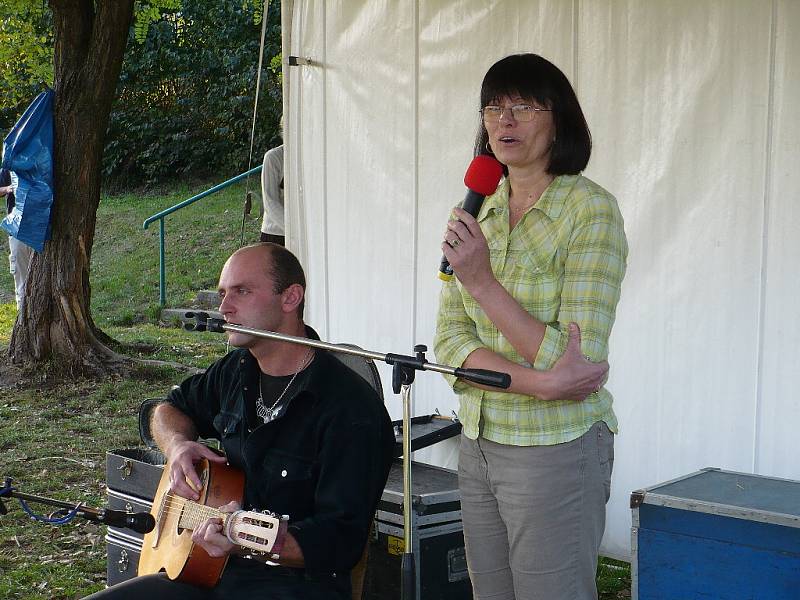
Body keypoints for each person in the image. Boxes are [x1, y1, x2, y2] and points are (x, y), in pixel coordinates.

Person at [85, 243, 395, 600]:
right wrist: (178, 446)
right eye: (222, 294)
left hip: (293, 588)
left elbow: (340, 542)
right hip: (204, 570)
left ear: (290, 297)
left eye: (242, 292)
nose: (223, 308)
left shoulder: (351, 411)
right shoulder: (237, 369)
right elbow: (167, 411)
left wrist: (243, 538)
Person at [434, 53, 628, 600]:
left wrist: (483, 283)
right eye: (493, 107)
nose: (504, 121)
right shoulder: (476, 208)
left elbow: (574, 362)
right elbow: (450, 342)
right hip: (479, 439)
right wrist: (540, 386)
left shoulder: (591, 211)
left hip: (555, 448)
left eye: (522, 106)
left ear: (559, 120)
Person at [0, 167, 34, 309]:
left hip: (40, 228)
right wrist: (9, 188)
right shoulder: (9, 165)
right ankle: (23, 322)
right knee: (22, 280)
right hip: (17, 231)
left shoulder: (42, 159)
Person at [260, 118, 285, 246]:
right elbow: (270, 202)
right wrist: (293, 230)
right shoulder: (273, 157)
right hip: (276, 234)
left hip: (308, 232)